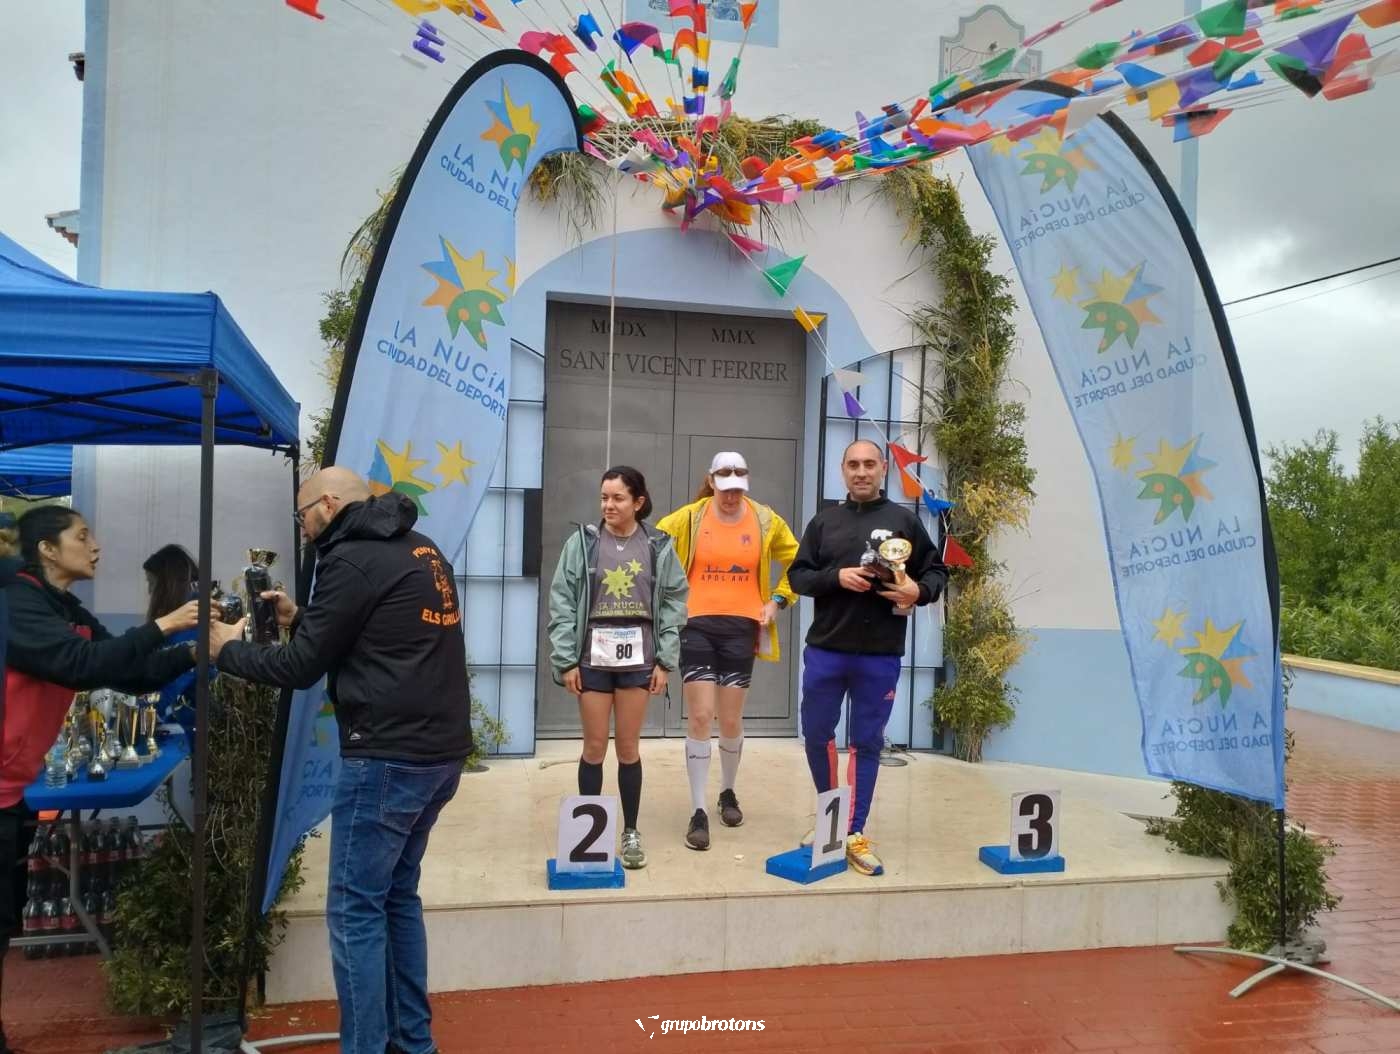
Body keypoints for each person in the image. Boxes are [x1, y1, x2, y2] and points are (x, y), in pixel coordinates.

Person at [208, 467, 470, 1054]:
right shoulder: (421, 548)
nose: (302, 528)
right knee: (396, 895)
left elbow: (299, 668)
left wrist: (228, 651)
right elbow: (383, 631)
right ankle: (412, 1042)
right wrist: (303, 619)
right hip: (438, 753)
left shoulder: (349, 559)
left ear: (328, 504)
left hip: (387, 756)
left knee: (355, 910)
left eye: (302, 515)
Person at [1, 506, 201, 1052]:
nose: (96, 546)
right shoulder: (16, 604)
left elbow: (124, 670)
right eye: (82, 536)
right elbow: (80, 663)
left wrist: (194, 651)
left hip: (11, 791)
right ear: (46, 548)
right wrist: (166, 625)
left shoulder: (65, 608)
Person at [787, 440, 948, 876]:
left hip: (879, 654)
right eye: (854, 464)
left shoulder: (904, 521)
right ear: (843, 470)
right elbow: (798, 576)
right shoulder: (824, 522)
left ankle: (853, 831)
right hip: (826, 649)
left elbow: (936, 571)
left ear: (883, 470)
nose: (861, 472)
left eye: (869, 464)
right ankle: (831, 819)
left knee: (866, 743)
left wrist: (918, 590)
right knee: (817, 734)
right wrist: (836, 577)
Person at [656, 451, 799, 850]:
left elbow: (800, 561)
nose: (732, 496)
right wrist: (668, 600)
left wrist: (778, 600)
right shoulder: (689, 518)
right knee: (701, 716)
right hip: (697, 626)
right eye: (725, 488)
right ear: (711, 481)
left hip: (742, 628)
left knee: (731, 719)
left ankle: (728, 792)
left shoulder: (765, 519)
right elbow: (651, 545)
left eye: (738, 488)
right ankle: (698, 810)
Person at [547, 465, 688, 870]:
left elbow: (674, 602)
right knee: (594, 747)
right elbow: (562, 600)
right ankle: (587, 836)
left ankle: (630, 831)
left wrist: (665, 660)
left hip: (638, 659)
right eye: (604, 497)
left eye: (618, 498)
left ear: (638, 502)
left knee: (628, 748)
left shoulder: (658, 545)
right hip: (592, 658)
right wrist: (566, 660)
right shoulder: (583, 543)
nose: (608, 505)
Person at [142, 543, 201, 729]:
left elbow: (176, 680)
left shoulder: (192, 621)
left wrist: (145, 712)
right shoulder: (188, 615)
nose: (149, 591)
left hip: (190, 729)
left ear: (168, 584)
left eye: (152, 583)